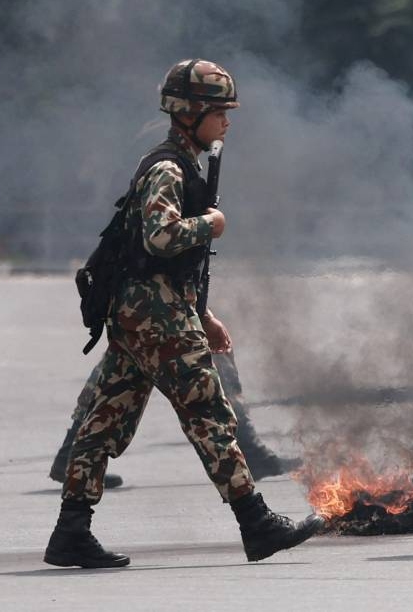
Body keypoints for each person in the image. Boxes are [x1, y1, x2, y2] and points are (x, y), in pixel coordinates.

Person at [44, 59, 323, 568]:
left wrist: (203, 312)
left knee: (103, 421)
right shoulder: (169, 168)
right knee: (209, 412)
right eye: (220, 111)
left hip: (144, 309)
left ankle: (70, 532)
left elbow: (159, 260)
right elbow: (161, 237)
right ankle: (255, 522)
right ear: (190, 112)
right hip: (155, 314)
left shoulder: (181, 161)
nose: (228, 121)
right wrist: (210, 224)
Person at [47, 350, 301, 488]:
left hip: (149, 286)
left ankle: (71, 456)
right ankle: (251, 459)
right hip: (152, 285)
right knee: (206, 350)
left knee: (123, 360)